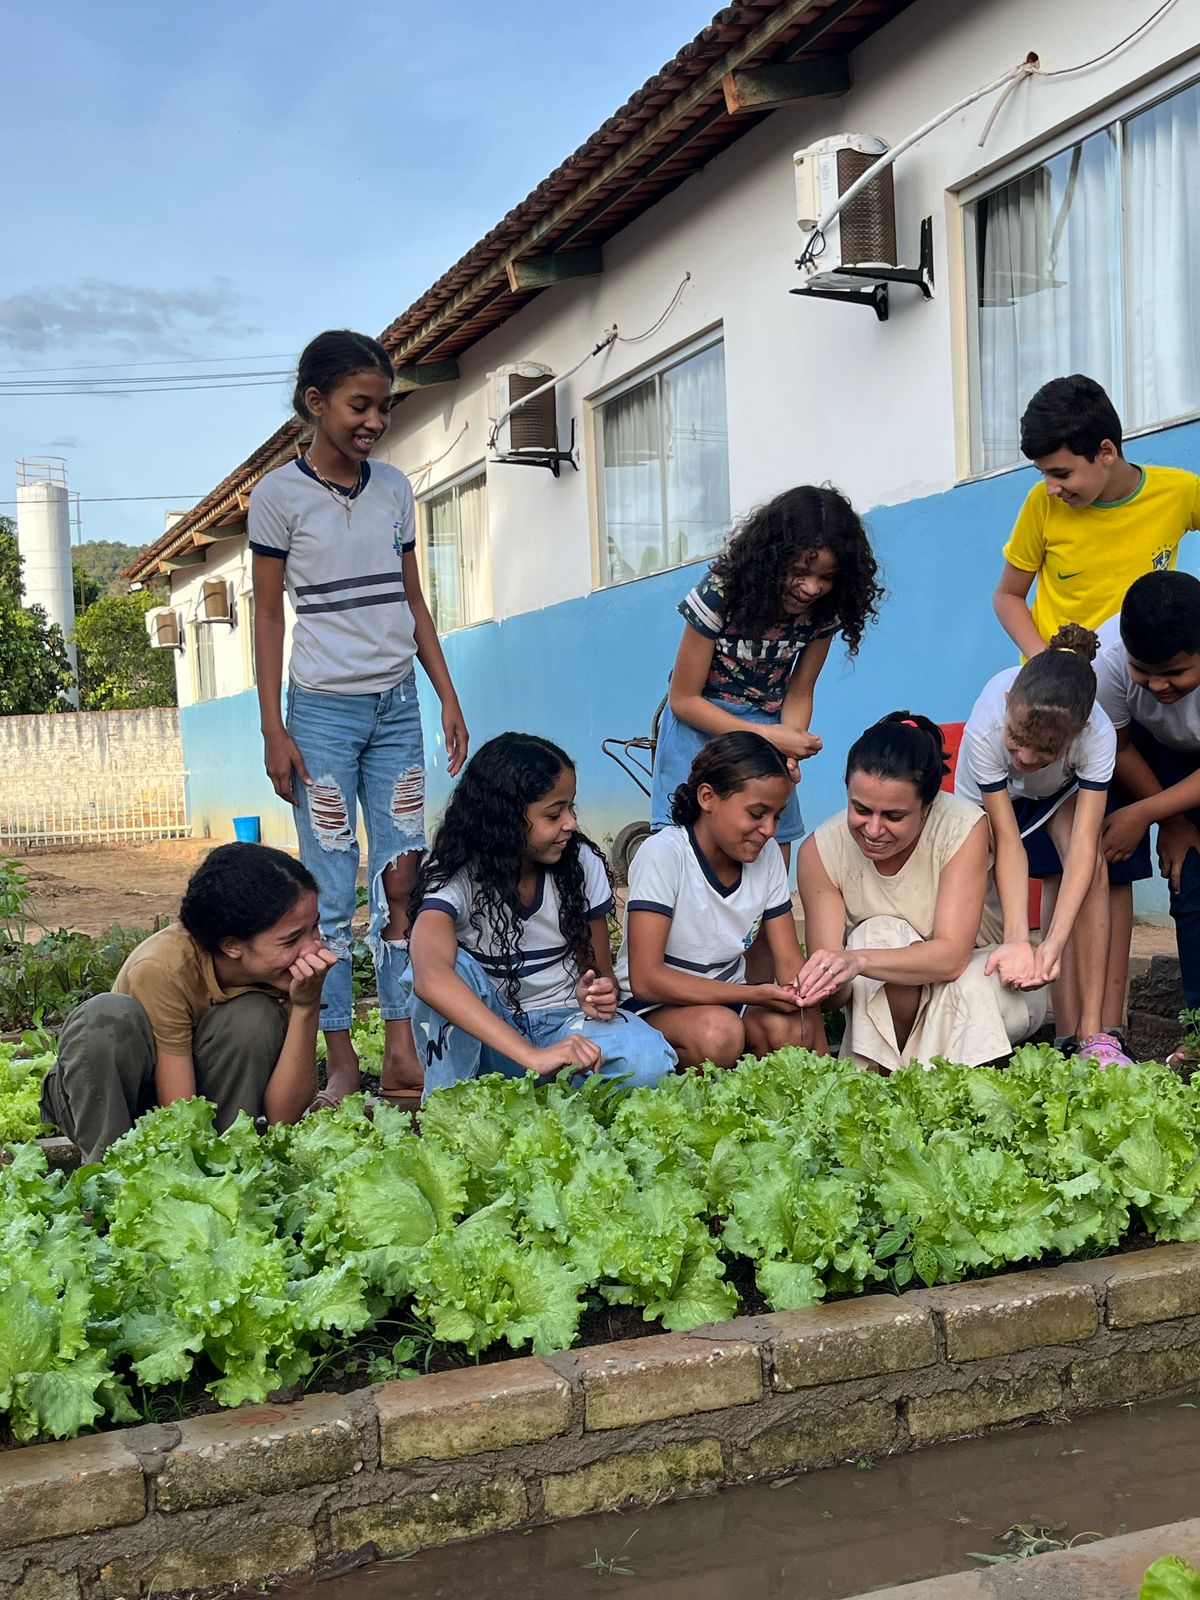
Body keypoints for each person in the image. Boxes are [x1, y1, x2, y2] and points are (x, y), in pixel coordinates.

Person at [251, 329, 468, 1107]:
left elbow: (414, 600)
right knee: (330, 889)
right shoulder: (276, 497)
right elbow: (269, 618)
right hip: (321, 716)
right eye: (359, 405)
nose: (375, 420)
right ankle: (342, 1056)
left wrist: (444, 691)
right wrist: (275, 726)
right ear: (316, 403)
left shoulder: (395, 490)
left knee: (403, 879)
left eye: (384, 406)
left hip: (398, 707)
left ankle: (403, 1047)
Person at [408, 732, 676, 1098]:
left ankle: (541, 1091)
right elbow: (428, 977)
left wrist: (596, 992)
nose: (570, 823)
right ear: (504, 819)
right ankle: (451, 1100)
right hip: (490, 1041)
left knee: (648, 1062)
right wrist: (531, 1055)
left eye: (571, 808)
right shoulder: (455, 873)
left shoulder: (581, 864)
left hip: (567, 1025)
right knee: (442, 966)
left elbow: (600, 974)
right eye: (554, 813)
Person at [39, 844, 337, 1163]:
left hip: (196, 1105)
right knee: (106, 1016)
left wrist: (305, 1005)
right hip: (110, 1104)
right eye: (291, 940)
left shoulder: (284, 972)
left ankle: (225, 1163)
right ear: (232, 946)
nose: (313, 948)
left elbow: (284, 1117)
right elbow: (178, 1114)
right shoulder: (163, 968)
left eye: (315, 927)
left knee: (253, 1016)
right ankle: (106, 1175)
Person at [796, 713, 1046, 1074]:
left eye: (894, 816)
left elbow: (952, 960)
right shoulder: (820, 851)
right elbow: (835, 997)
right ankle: (910, 1088)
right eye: (860, 809)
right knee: (877, 933)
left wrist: (856, 961)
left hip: (987, 986)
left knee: (965, 984)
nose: (873, 829)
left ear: (928, 808)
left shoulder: (963, 826)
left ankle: (906, 1089)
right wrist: (824, 980)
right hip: (896, 1005)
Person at [649, 485, 883, 864]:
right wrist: (769, 738)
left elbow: (799, 692)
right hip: (701, 730)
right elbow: (684, 699)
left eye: (826, 577)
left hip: (768, 730)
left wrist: (789, 749)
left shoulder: (823, 611)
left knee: (771, 852)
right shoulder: (719, 593)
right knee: (686, 857)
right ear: (771, 558)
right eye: (799, 572)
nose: (811, 587)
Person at [954, 626, 1127, 1066]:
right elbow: (1008, 841)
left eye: (1047, 748)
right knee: (976, 898)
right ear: (1010, 700)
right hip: (992, 801)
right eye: (1019, 740)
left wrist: (1052, 944)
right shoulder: (989, 724)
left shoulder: (1098, 735)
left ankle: (1093, 1034)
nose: (1027, 758)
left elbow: (1085, 848)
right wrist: (1018, 938)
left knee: (1094, 871)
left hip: (1059, 794)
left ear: (1081, 729)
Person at [617, 731, 823, 1069]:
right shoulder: (664, 853)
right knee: (719, 1034)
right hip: (651, 1006)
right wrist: (753, 994)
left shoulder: (767, 854)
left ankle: (739, 1088)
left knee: (791, 1030)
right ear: (708, 797)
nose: (770, 829)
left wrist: (809, 1012)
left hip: (727, 998)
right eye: (757, 813)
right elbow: (647, 979)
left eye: (777, 815)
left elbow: (789, 963)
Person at [993, 374, 1200, 659]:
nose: (1051, 487)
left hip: (1137, 677)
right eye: (1043, 473)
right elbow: (1008, 596)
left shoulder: (1181, 492)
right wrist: (1044, 662)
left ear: (1106, 452)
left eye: (1061, 474)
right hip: (1062, 690)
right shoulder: (1041, 504)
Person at [1097, 570, 1200, 1035]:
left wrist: (1145, 813)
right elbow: (1118, 747)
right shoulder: (1107, 660)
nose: (1159, 687)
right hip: (1151, 755)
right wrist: (1174, 822)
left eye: (1175, 673)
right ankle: (1198, 1031)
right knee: (1188, 883)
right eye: (1145, 672)